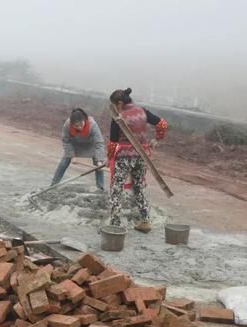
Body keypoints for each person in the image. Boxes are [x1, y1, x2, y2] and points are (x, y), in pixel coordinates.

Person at [108, 87, 168, 233]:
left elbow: (113, 142)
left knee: (117, 189)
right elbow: (162, 124)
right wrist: (157, 139)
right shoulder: (143, 111)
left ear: (120, 103)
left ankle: (115, 225)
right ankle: (145, 221)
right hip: (142, 157)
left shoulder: (118, 116)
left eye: (115, 105)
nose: (115, 108)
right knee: (139, 187)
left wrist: (109, 159)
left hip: (124, 157)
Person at [51, 108, 106, 191]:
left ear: (84, 120)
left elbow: (99, 142)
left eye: (81, 125)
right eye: (76, 126)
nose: (79, 127)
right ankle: (53, 185)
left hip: (90, 145)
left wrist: (99, 160)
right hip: (75, 145)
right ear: (72, 124)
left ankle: (100, 188)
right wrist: (72, 155)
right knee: (64, 161)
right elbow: (66, 141)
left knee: (99, 165)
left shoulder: (92, 124)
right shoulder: (67, 125)